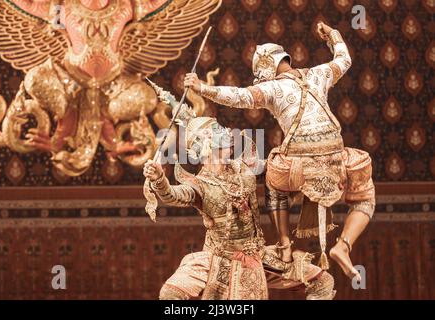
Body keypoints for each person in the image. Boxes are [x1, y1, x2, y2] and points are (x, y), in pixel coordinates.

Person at [183, 22, 375, 281]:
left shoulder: (271, 88)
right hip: (337, 157)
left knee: (273, 179)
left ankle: (284, 244)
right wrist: (333, 35)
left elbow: (238, 96)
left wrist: (201, 88)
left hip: (299, 164)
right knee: (364, 199)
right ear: (284, 60)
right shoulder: (319, 74)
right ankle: (343, 245)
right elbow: (344, 59)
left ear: (266, 69)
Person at [143, 116, 335, 300]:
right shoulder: (199, 185)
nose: (227, 133)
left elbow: (279, 170)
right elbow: (173, 196)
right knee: (170, 293)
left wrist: (305, 158)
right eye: (217, 130)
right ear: (205, 144)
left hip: (258, 256)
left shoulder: (244, 167)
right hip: (218, 260)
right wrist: (159, 179)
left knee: (322, 281)